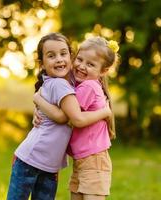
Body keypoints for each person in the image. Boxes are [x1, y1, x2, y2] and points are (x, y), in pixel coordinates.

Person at [6, 33, 111, 200]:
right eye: (51, 56)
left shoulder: (74, 83)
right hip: (38, 159)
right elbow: (65, 116)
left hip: (46, 161)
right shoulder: (62, 83)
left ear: (70, 55)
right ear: (42, 63)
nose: (59, 59)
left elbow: (66, 117)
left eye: (63, 54)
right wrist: (38, 102)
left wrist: (38, 100)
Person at [33, 36, 119, 200]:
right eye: (79, 59)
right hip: (84, 160)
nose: (81, 66)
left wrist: (37, 100)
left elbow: (69, 116)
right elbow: (54, 98)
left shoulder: (88, 86)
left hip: (93, 160)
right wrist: (36, 109)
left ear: (103, 71)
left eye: (90, 64)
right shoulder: (79, 84)